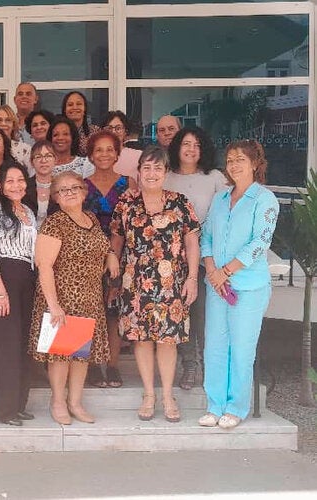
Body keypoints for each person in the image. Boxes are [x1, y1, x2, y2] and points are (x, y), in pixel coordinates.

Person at [110, 146, 200, 423]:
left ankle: (168, 396)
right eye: (146, 168)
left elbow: (192, 243)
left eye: (157, 168)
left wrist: (192, 279)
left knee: (167, 340)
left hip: (171, 284)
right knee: (141, 339)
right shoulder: (126, 203)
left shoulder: (180, 203)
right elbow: (116, 241)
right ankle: (149, 394)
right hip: (135, 283)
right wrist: (113, 273)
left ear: (166, 172)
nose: (151, 173)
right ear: (138, 172)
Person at [199, 140, 279, 429]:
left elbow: (260, 242)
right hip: (216, 286)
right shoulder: (220, 198)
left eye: (240, 159)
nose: (233, 165)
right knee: (215, 347)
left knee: (242, 349)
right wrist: (212, 270)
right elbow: (206, 236)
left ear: (255, 163)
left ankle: (236, 407)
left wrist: (226, 271)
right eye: (230, 159)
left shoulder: (264, 199)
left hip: (248, 286)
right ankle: (215, 405)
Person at [29, 171, 118, 425]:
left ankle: (75, 402)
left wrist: (111, 254)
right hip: (63, 298)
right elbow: (44, 265)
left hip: (89, 298)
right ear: (55, 197)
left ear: (84, 191)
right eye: (62, 190)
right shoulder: (54, 223)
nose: (69, 193)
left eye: (74, 187)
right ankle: (58, 402)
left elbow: (101, 245)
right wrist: (53, 305)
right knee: (61, 356)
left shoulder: (91, 218)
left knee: (80, 355)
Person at [164, 126, 227, 391]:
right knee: (182, 312)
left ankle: (209, 364)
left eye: (197, 145)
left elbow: (226, 214)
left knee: (204, 313)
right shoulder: (166, 177)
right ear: (177, 147)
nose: (191, 149)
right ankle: (189, 363)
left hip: (206, 257)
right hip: (171, 259)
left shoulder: (214, 178)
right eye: (186, 144)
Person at [0, 162, 37, 426]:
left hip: (27, 279)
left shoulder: (28, 211)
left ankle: (19, 404)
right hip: (3, 278)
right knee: (7, 345)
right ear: (1, 185)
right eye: (10, 181)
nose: (16, 185)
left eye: (20, 180)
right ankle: (4, 411)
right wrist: (0, 291)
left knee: (24, 343)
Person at [83, 130, 130, 389]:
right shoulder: (82, 185)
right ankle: (90, 365)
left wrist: (117, 256)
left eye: (109, 149)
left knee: (113, 311)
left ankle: (112, 365)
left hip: (120, 255)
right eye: (98, 150)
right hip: (88, 256)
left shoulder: (128, 183)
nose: (104, 154)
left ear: (117, 154)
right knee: (89, 311)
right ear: (90, 155)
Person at [22, 139, 59, 224]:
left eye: (48, 156)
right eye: (38, 157)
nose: (43, 161)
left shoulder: (62, 187)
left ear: (56, 160)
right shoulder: (23, 186)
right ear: (32, 162)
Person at [0, 105, 32, 173]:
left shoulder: (25, 150)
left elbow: (33, 175)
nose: (3, 124)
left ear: (13, 124)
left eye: (8, 120)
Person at [61, 91, 100, 156]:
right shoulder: (58, 132)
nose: (74, 107)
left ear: (85, 108)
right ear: (65, 110)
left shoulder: (95, 132)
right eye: (70, 105)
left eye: (79, 104)